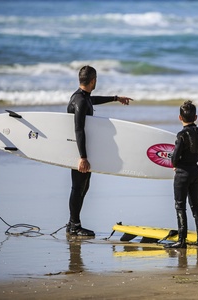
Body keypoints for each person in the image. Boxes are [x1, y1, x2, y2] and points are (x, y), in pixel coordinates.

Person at [66, 65, 132, 236]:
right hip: (79, 151)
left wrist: (116, 98)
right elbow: (78, 129)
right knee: (78, 187)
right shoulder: (80, 100)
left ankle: (73, 222)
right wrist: (82, 157)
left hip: (84, 150)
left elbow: (92, 100)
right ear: (93, 80)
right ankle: (74, 225)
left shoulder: (82, 97)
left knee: (83, 186)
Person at [165, 100, 198, 248]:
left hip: (182, 173)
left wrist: (176, 165)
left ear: (180, 118)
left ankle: (182, 240)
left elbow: (175, 157)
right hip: (195, 171)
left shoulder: (181, 135)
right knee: (196, 206)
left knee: (180, 206)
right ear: (195, 117)